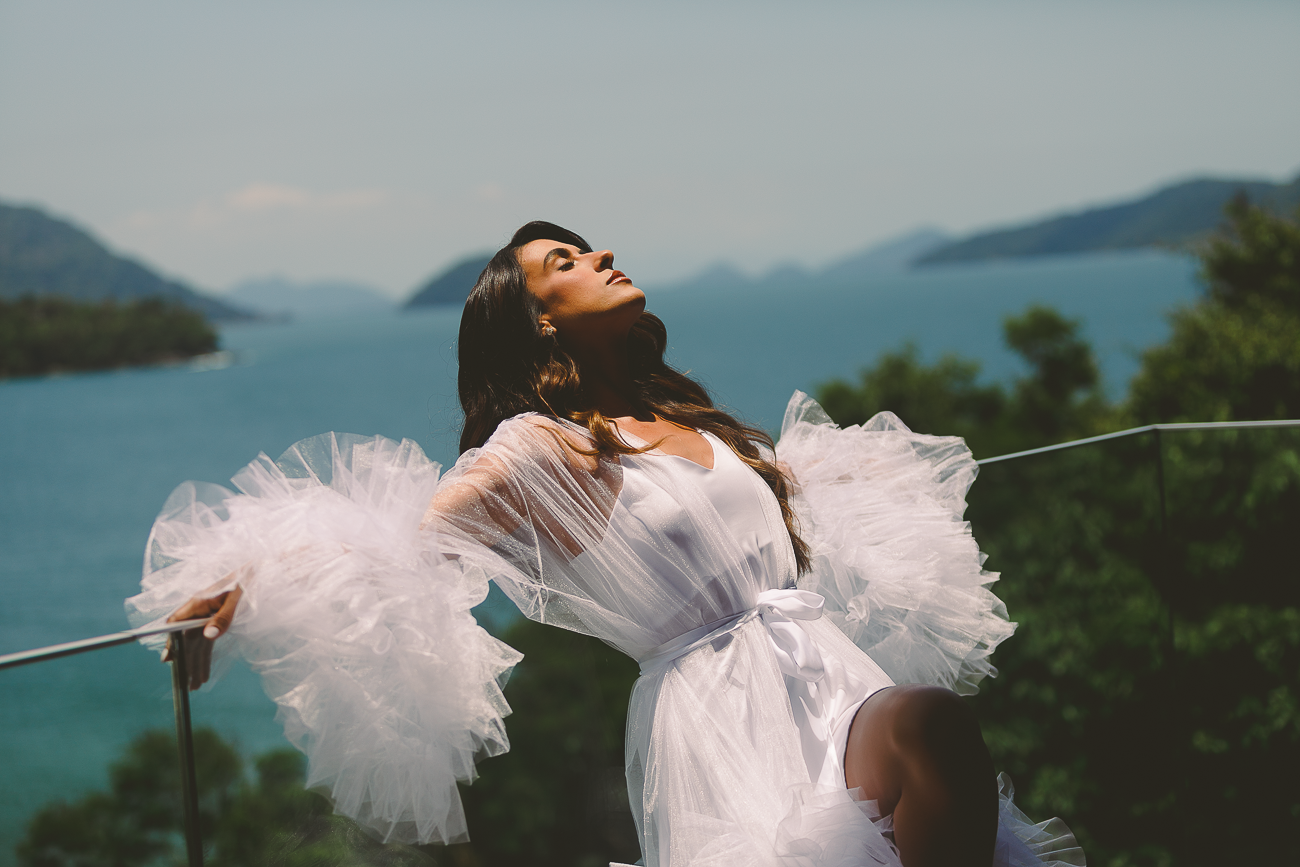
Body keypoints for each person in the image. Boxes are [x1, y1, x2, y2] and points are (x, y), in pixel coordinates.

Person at [132, 222, 1083, 867]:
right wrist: (249, 579)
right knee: (924, 729)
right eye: (569, 261)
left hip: (827, 672)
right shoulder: (537, 448)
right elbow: (410, 539)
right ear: (541, 317)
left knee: (933, 733)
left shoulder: (687, 415)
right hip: (724, 718)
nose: (604, 255)